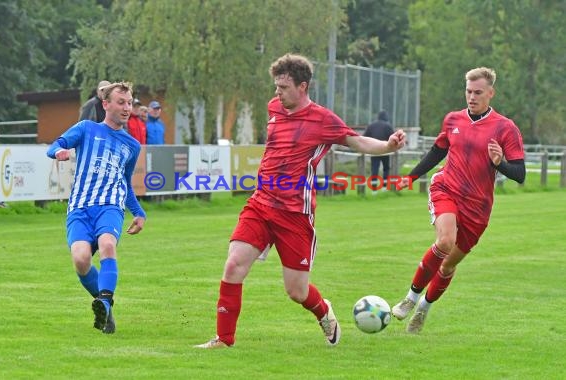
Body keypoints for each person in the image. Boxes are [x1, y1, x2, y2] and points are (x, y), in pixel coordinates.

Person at [196, 53, 406, 349]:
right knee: (233, 266)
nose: (277, 93)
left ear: (303, 86)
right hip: (260, 204)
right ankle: (223, 339)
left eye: (283, 87)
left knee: (296, 291)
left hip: (295, 214)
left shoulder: (323, 119)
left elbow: (357, 141)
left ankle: (323, 311)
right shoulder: (274, 108)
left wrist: (387, 146)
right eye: (276, 86)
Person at [391, 67, 525, 333]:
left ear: (490, 93)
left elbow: (520, 174)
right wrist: (411, 176)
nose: (471, 97)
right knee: (444, 241)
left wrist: (499, 164)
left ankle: (423, 310)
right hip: (446, 189)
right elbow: (437, 151)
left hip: (478, 207)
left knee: (448, 264)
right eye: (468, 91)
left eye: (477, 92)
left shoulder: (505, 128)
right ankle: (411, 297)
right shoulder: (453, 120)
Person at [46, 81, 146, 334]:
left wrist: (138, 212)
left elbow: (125, 182)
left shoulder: (131, 145)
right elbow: (54, 146)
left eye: (129, 103)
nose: (127, 108)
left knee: (108, 245)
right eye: (121, 102)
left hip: (110, 206)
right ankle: (105, 308)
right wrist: (59, 152)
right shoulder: (86, 128)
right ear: (106, 104)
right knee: (80, 260)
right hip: (80, 207)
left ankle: (104, 300)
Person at [363, 110, 395, 187]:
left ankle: (374, 188)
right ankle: (384, 186)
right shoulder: (388, 126)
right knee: (386, 168)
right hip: (385, 150)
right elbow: (393, 137)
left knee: (374, 168)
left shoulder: (371, 126)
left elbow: (365, 137)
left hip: (374, 150)